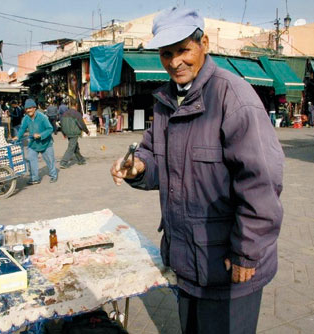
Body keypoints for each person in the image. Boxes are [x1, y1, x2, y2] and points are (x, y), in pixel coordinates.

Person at [110, 7, 284, 334]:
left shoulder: (233, 97)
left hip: (230, 268)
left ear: (203, 43)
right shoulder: (165, 103)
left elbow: (262, 183)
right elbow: (155, 158)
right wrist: (138, 167)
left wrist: (247, 252)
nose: (175, 62)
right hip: (187, 262)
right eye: (166, 54)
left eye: (183, 50)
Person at [13, 98, 57, 184]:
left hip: (46, 143)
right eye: (27, 109)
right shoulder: (26, 118)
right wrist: (17, 136)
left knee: (50, 161)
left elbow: (50, 129)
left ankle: (53, 175)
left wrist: (41, 135)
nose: (29, 110)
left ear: (34, 108)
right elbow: (22, 129)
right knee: (30, 158)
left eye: (30, 108)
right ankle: (34, 178)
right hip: (33, 144)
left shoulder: (42, 117)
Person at [59, 100, 89, 169]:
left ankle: (81, 160)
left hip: (67, 132)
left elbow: (62, 124)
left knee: (75, 147)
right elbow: (81, 124)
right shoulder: (77, 114)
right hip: (74, 133)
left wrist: (63, 133)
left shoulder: (64, 114)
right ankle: (63, 162)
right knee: (71, 148)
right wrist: (86, 131)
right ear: (76, 105)